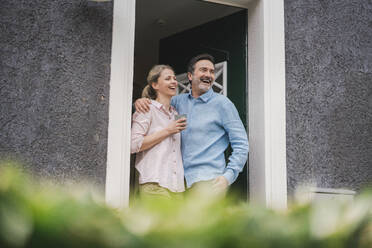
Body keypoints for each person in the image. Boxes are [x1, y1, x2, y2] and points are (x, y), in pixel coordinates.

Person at [135, 54, 249, 194]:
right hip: (180, 185)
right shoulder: (177, 102)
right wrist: (139, 102)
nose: (209, 75)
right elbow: (157, 106)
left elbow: (241, 144)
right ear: (190, 76)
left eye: (212, 71)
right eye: (203, 70)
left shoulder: (223, 104)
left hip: (209, 182)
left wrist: (228, 176)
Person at [131, 65, 187, 199]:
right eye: (168, 79)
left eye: (174, 78)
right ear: (155, 84)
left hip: (177, 187)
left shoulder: (176, 114)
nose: (174, 81)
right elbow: (133, 145)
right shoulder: (147, 109)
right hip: (154, 184)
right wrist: (168, 130)